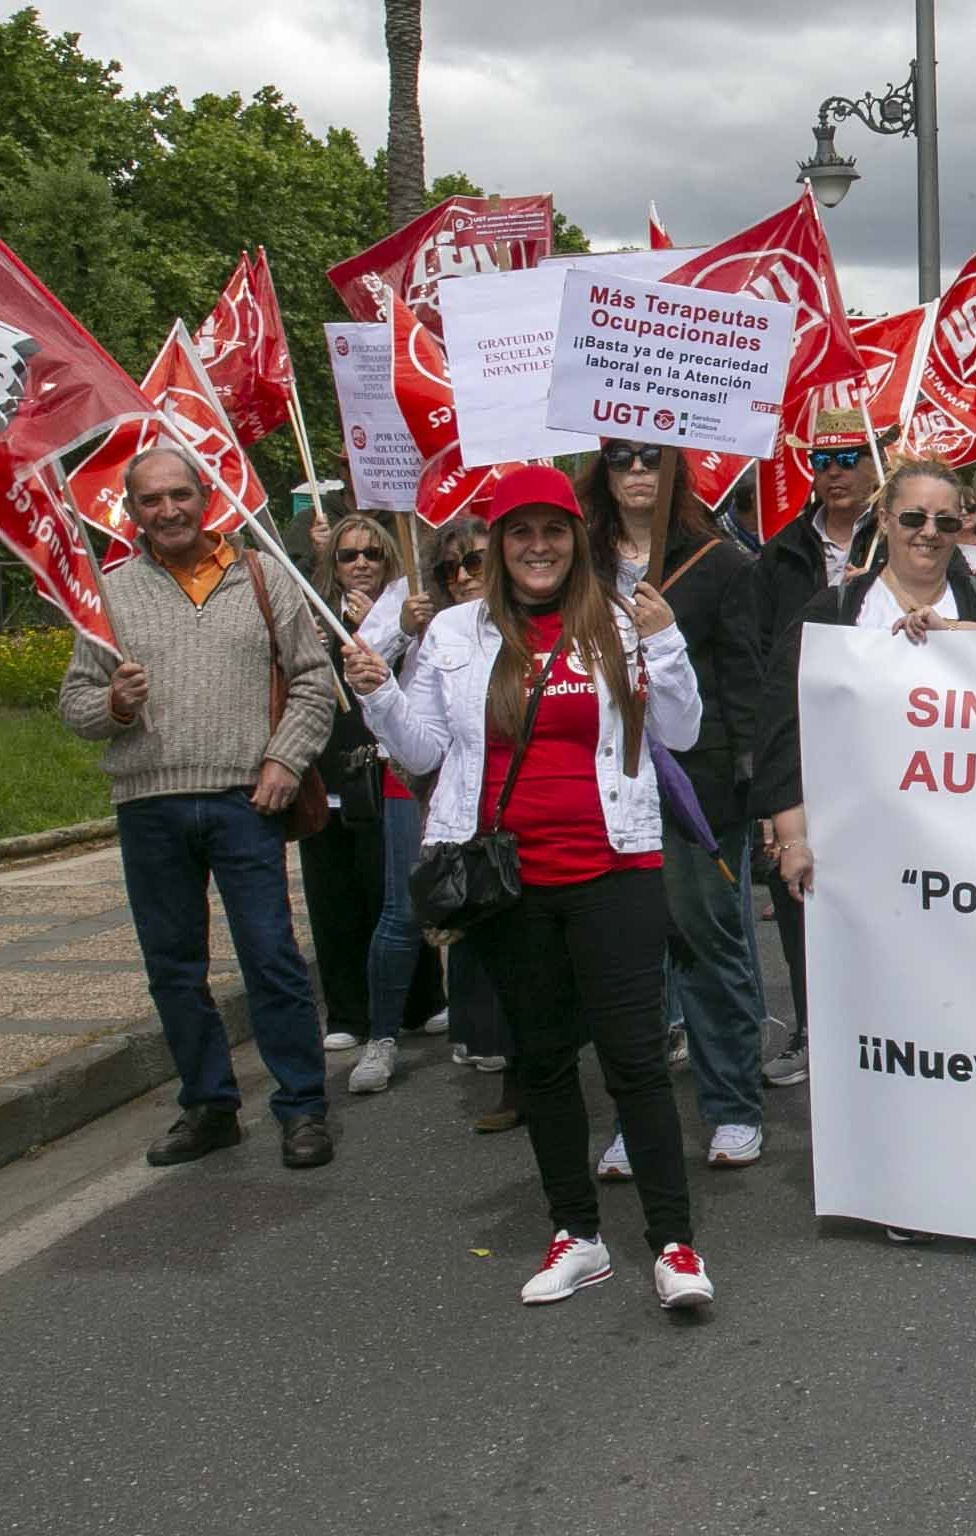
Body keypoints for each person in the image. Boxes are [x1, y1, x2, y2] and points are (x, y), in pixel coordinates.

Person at [344, 465, 715, 1308]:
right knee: (544, 1063)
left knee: (634, 1065)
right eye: (520, 533)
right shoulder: (454, 634)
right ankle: (578, 1234)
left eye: (553, 531)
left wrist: (666, 642)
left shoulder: (622, 623)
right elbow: (424, 751)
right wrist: (378, 695)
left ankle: (674, 1245)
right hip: (510, 881)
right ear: (500, 545)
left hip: (616, 868)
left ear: (574, 541)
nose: (538, 547)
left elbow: (683, 731)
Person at [753, 460, 976, 1242]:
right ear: (884, 519)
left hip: (974, 853)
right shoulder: (839, 608)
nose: (928, 535)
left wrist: (962, 639)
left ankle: (973, 1163)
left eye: (945, 522)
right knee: (878, 1014)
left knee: (969, 1008)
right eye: (913, 519)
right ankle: (891, 1177)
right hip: (866, 856)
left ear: (964, 531)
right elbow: (781, 724)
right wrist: (790, 833)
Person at [56, 443, 338, 1170]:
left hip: (246, 798)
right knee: (173, 967)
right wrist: (114, 705)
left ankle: (303, 1107)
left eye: (180, 495)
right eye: (151, 500)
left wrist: (285, 758)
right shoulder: (110, 592)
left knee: (271, 956)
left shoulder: (264, 575)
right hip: (149, 803)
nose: (168, 510)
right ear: (134, 511)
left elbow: (313, 681)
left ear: (205, 496)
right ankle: (209, 1105)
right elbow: (75, 704)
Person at [578, 440, 769, 1173]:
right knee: (628, 958)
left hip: (696, 784)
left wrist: (749, 782)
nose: (636, 473)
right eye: (622, 460)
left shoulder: (720, 564)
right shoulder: (578, 562)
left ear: (674, 475)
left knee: (706, 943)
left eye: (651, 461)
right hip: (601, 782)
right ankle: (639, 1119)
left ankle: (732, 1106)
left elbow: (743, 679)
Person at [362, 515, 524, 1133]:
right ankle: (508, 1062)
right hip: (441, 797)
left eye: (476, 562)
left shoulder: (537, 622)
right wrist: (382, 688)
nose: (462, 576)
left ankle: (542, 1067)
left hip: (528, 805)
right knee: (464, 924)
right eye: (450, 566)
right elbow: (420, 742)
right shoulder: (438, 631)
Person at [752, 409, 882, 1088]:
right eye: (821, 461)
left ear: (874, 461)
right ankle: (811, 1028)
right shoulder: (780, 552)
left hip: (879, 755)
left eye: (849, 457)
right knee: (800, 892)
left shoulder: (901, 541)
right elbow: (763, 664)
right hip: (804, 746)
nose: (834, 473)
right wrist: (772, 792)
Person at [303, 513, 443, 1095]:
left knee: (416, 893)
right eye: (346, 555)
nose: (360, 563)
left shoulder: (410, 603)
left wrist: (402, 628)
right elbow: (322, 676)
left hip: (404, 764)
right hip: (338, 765)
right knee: (356, 900)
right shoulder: (310, 606)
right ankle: (362, 1024)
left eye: (371, 554)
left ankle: (433, 1007)